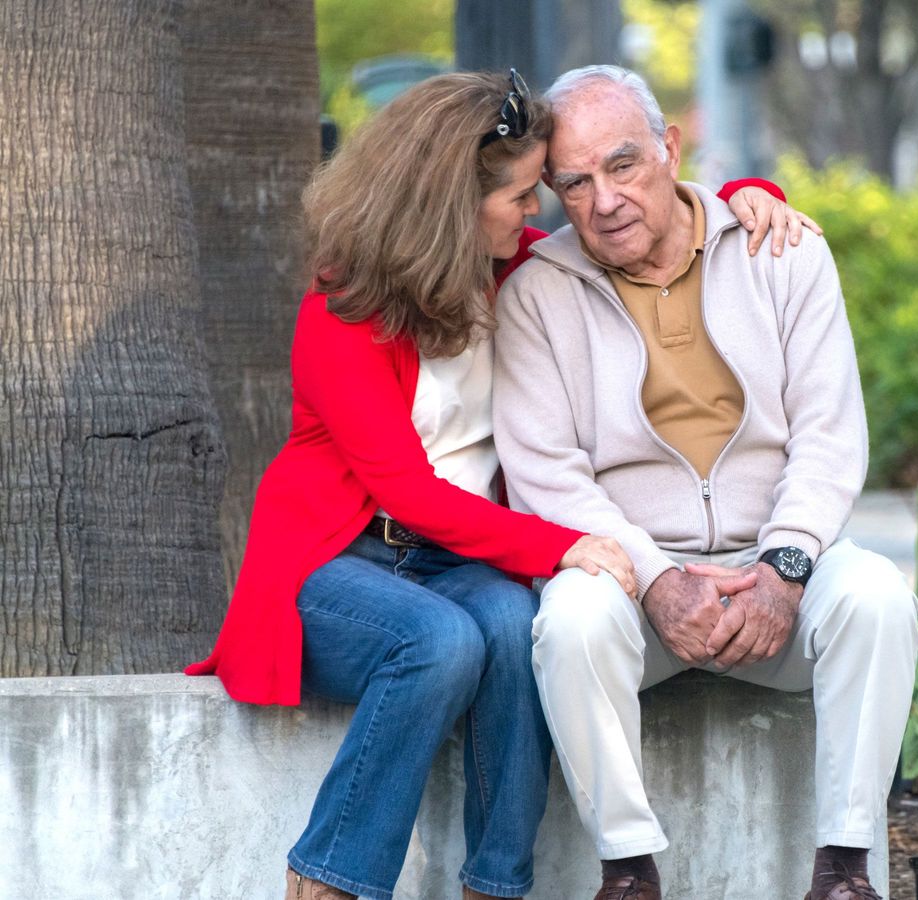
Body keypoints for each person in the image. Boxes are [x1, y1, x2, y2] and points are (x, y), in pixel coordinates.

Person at [182, 70, 814, 900]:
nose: (537, 212)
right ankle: (330, 879)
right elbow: (408, 494)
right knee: (436, 642)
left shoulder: (509, 269)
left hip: (458, 560)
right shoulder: (342, 313)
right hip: (337, 560)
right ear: (453, 201)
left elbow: (644, 220)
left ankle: (496, 886)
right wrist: (568, 545)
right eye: (521, 195)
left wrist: (745, 196)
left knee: (518, 628)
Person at [492, 65, 918, 900]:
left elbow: (830, 435)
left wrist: (786, 568)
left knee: (874, 595)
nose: (605, 200)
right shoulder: (537, 295)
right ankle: (628, 873)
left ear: (669, 148)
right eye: (573, 184)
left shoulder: (782, 250)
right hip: (640, 586)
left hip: (776, 568)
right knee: (571, 619)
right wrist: (655, 582)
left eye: (623, 166)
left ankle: (844, 871)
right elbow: (548, 474)